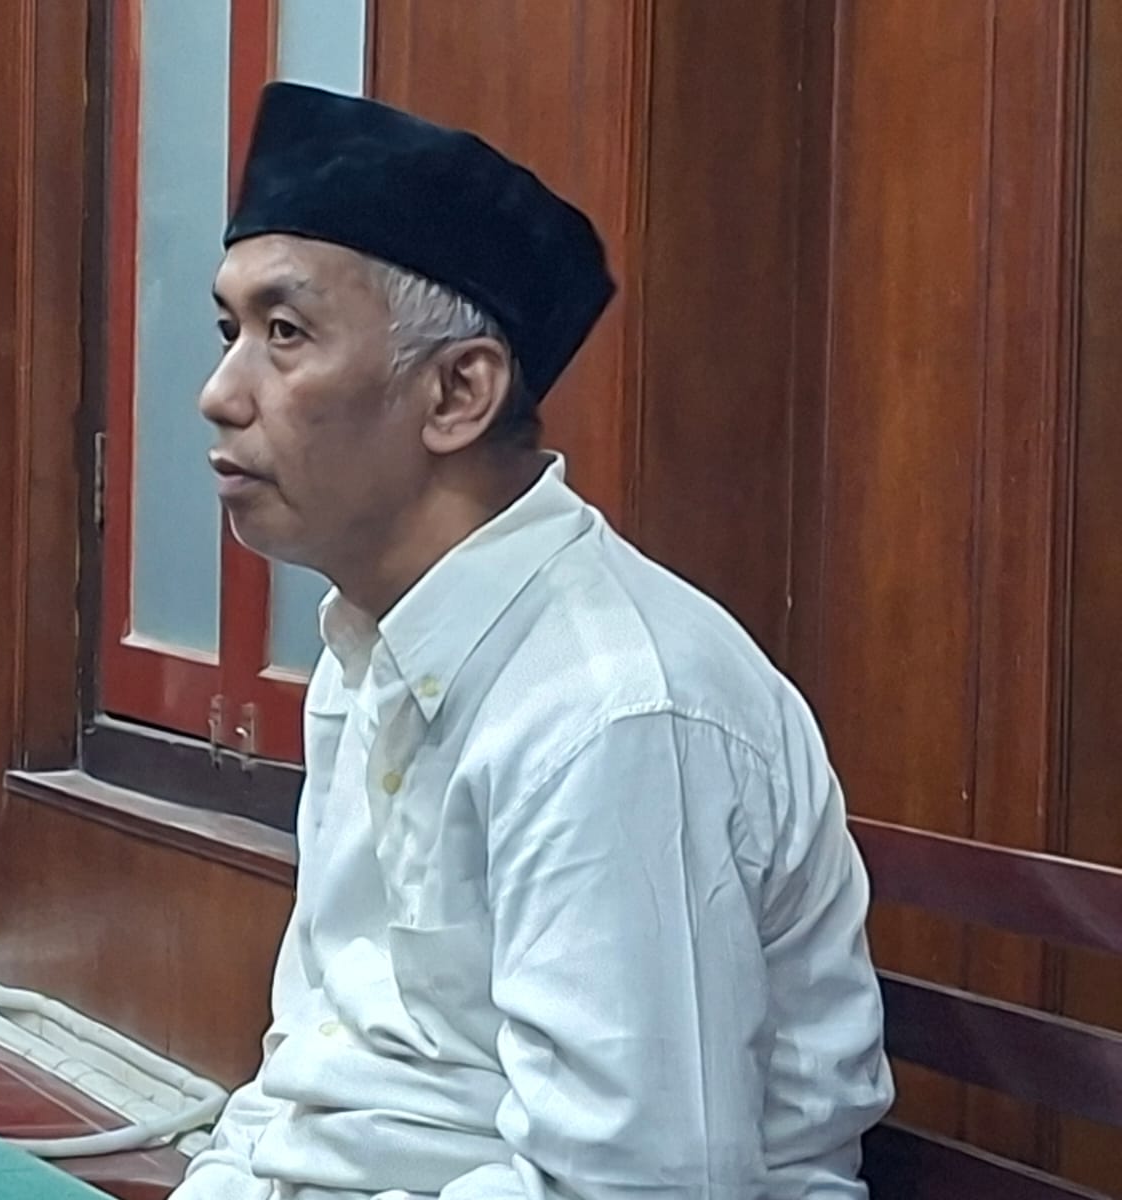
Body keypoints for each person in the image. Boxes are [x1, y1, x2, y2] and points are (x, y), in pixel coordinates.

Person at [175, 82, 893, 1200]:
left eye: (286, 334)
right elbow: (304, 1078)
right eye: (230, 332)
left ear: (457, 393)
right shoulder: (367, 654)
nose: (220, 394)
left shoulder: (613, 713)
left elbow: (639, 1186)